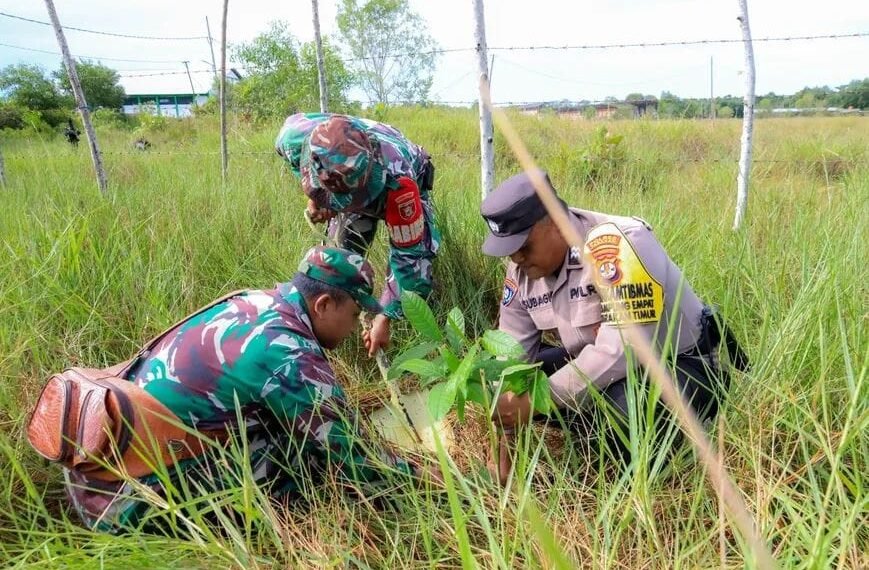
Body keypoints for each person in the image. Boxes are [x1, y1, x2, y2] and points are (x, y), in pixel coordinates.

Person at [65, 246, 436, 532]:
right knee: (305, 467)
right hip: (123, 500)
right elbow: (351, 454)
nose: (356, 327)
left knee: (287, 432)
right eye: (355, 315)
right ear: (323, 304)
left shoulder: (254, 301)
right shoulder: (287, 352)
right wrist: (428, 481)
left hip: (99, 467)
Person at [480, 170, 746, 480]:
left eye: (524, 246)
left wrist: (540, 401)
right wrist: (507, 430)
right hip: (611, 367)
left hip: (681, 365)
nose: (517, 259)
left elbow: (624, 351)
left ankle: (638, 473)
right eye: (510, 251)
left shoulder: (621, 245)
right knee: (524, 379)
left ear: (555, 221)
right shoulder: (522, 271)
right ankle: (594, 430)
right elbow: (511, 356)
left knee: (625, 410)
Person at [275, 113, 439, 358]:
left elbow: (409, 260)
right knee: (338, 264)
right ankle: (336, 321)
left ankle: (381, 315)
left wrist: (386, 316)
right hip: (346, 181)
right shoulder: (294, 139)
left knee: (420, 262)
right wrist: (319, 198)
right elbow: (298, 165)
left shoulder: (400, 184)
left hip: (390, 182)